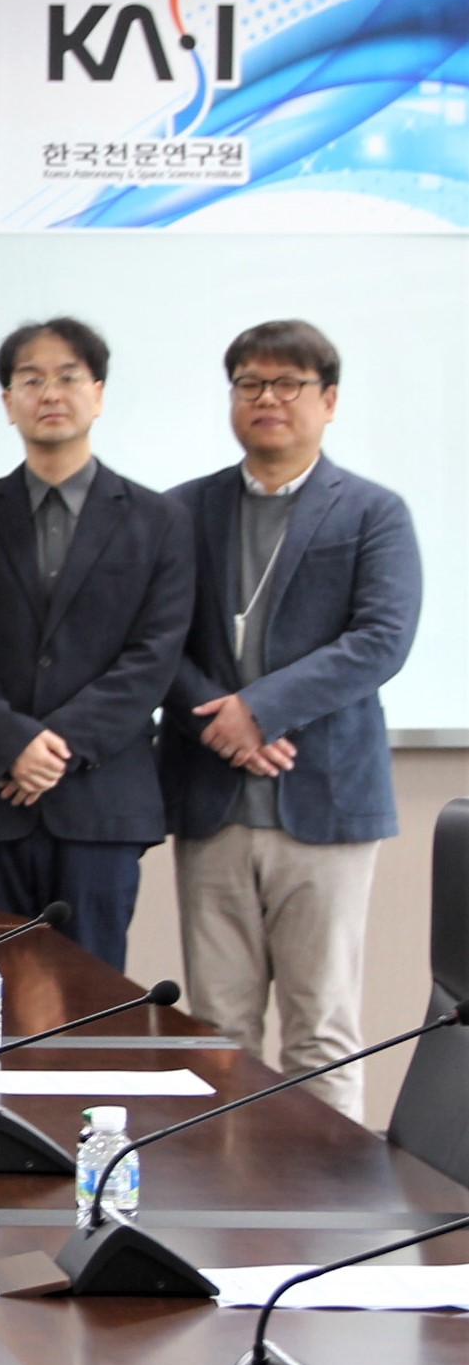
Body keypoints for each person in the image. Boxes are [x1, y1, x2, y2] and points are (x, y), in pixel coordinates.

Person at [160, 321, 421, 1121]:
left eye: (287, 384)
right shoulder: (179, 510)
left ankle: (323, 1222)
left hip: (326, 804)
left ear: (327, 400)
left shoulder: (373, 511)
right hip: (212, 802)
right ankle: (218, 1210)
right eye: (248, 384)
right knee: (216, 1028)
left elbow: (380, 639)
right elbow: (153, 639)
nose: (265, 399)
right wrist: (220, 720)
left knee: (320, 1031)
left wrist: (260, 709)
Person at [0, 318, 190, 971]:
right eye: (30, 379)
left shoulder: (159, 520)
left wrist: (53, 749)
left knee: (90, 1002)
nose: (50, 392)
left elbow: (153, 654)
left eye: (68, 377)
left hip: (99, 805)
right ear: (7, 401)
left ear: (97, 393)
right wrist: (11, 744)